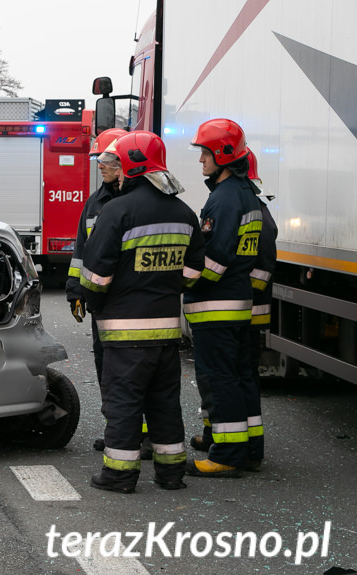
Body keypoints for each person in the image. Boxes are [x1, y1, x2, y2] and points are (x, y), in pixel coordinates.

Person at [80, 131, 205, 493]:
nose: (114, 172)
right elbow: (194, 271)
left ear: (131, 168)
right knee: (165, 404)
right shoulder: (184, 213)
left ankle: (119, 475)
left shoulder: (115, 211)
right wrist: (164, 285)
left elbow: (96, 275)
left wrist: (96, 301)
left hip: (124, 333)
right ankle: (170, 474)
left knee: (124, 402)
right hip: (166, 332)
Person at [183, 118, 263, 478]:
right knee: (237, 376)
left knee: (219, 379)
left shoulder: (224, 200)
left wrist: (180, 283)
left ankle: (227, 455)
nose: (201, 161)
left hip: (217, 304)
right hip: (236, 301)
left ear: (222, 154)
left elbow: (212, 263)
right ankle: (248, 449)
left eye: (204, 153)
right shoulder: (245, 194)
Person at [66, 128, 152, 458]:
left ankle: (140, 434)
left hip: (131, 300)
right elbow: (81, 252)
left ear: (124, 163)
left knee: (136, 373)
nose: (100, 165)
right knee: (107, 369)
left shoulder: (135, 203)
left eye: (107, 159)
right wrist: (75, 291)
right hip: (101, 302)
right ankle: (119, 429)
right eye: (99, 159)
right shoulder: (95, 202)